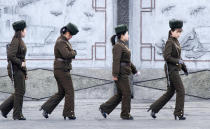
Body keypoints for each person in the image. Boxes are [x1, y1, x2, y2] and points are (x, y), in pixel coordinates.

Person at [148, 19, 188, 120]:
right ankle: (178, 113)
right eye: (177, 32)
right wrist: (178, 62)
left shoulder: (176, 41)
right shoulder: (169, 42)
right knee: (181, 90)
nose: (179, 34)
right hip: (171, 70)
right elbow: (167, 57)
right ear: (172, 31)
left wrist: (184, 68)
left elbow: (179, 57)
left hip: (175, 69)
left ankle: (154, 108)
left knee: (170, 92)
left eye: (180, 32)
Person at [99, 24, 139, 120]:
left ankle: (104, 108)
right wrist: (115, 74)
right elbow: (116, 61)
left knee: (121, 94)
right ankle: (125, 114)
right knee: (127, 93)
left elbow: (127, 61)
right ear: (122, 35)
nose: (128, 36)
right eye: (127, 34)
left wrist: (135, 71)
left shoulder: (122, 45)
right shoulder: (118, 46)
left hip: (124, 72)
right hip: (121, 73)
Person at [40, 22, 79, 120]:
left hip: (61, 68)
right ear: (68, 33)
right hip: (62, 69)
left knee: (61, 92)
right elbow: (66, 54)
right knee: (70, 91)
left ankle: (46, 108)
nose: (71, 37)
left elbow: (67, 53)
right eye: (71, 35)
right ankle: (69, 113)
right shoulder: (61, 41)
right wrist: (74, 52)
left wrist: (72, 53)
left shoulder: (63, 40)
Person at [0, 20, 27, 120]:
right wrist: (20, 63)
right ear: (21, 31)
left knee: (19, 91)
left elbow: (21, 57)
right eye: (25, 30)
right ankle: (17, 114)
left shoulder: (19, 40)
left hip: (19, 70)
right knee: (20, 91)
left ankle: (4, 108)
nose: (26, 31)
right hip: (16, 70)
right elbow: (11, 55)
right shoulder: (16, 40)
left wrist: (25, 71)